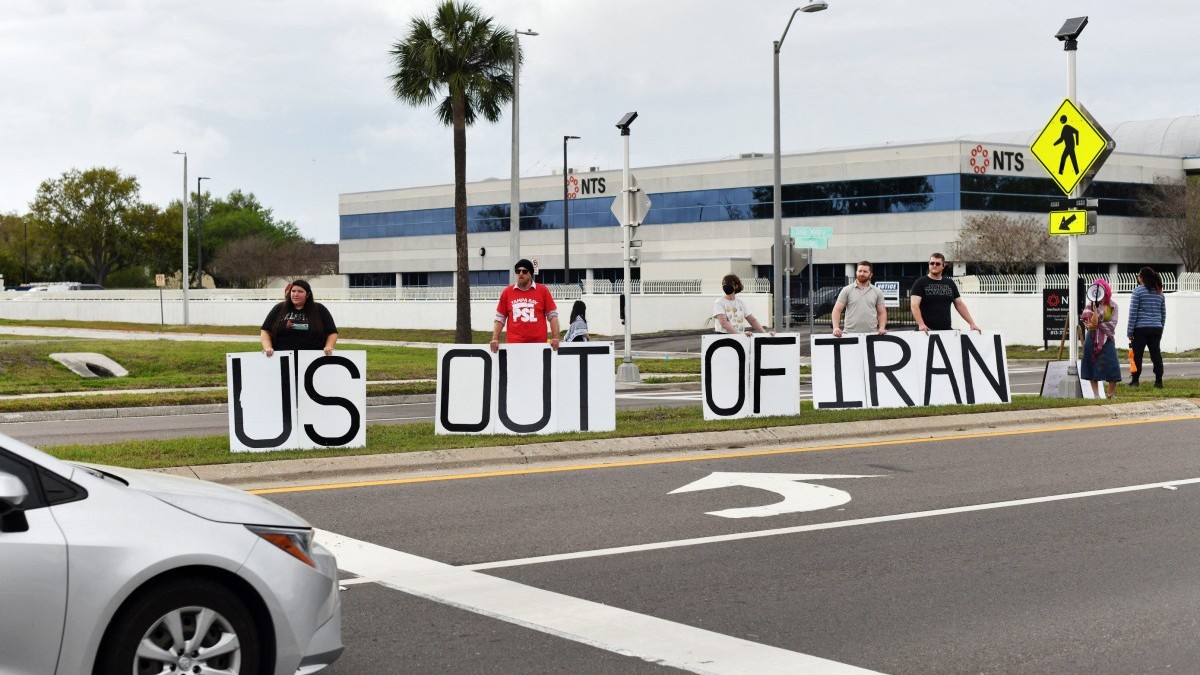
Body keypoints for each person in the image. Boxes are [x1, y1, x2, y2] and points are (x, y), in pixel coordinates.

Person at [490, 259, 560, 352]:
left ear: (530, 274)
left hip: (538, 347)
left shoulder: (543, 291)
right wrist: (495, 338)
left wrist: (555, 337)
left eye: (524, 271)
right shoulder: (507, 292)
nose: (521, 274)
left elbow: (552, 316)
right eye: (518, 271)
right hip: (514, 347)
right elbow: (500, 318)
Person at [260, 279, 338, 356]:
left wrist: (329, 346)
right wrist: (268, 347)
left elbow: (332, 333)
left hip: (312, 358)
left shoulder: (319, 309)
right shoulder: (279, 308)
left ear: (308, 294)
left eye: (300, 291)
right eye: (293, 291)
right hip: (283, 358)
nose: (295, 294)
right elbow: (265, 331)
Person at [910, 252, 980, 333]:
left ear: (943, 266)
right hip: (926, 331)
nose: (934, 265)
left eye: (937, 264)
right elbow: (914, 305)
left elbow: (959, 304)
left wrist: (972, 323)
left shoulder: (950, 283)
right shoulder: (920, 283)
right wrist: (921, 324)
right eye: (932, 263)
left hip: (946, 332)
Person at [1080, 278, 1120, 398]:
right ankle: (1096, 395)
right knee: (1091, 366)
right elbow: (1088, 323)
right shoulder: (1090, 306)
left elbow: (1112, 324)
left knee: (1112, 365)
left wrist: (1097, 325)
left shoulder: (1112, 306)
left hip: (1107, 339)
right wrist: (1095, 310)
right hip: (1091, 339)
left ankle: (1111, 394)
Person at [1126, 266, 1166, 388]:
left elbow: (1133, 312)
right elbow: (1163, 313)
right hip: (1156, 328)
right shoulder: (1159, 293)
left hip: (1141, 328)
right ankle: (1158, 381)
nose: (1138, 278)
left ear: (1142, 277)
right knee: (1156, 354)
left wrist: (1130, 331)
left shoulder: (1138, 292)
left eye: (1138, 276)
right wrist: (1160, 327)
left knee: (1138, 354)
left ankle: (1135, 381)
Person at [831, 260, 887, 337]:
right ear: (856, 272)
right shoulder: (846, 290)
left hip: (871, 334)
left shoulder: (877, 291)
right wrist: (836, 328)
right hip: (849, 334)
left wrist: (881, 328)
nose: (861, 273)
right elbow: (837, 310)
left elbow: (882, 313)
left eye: (865, 271)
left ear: (870, 275)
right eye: (859, 271)